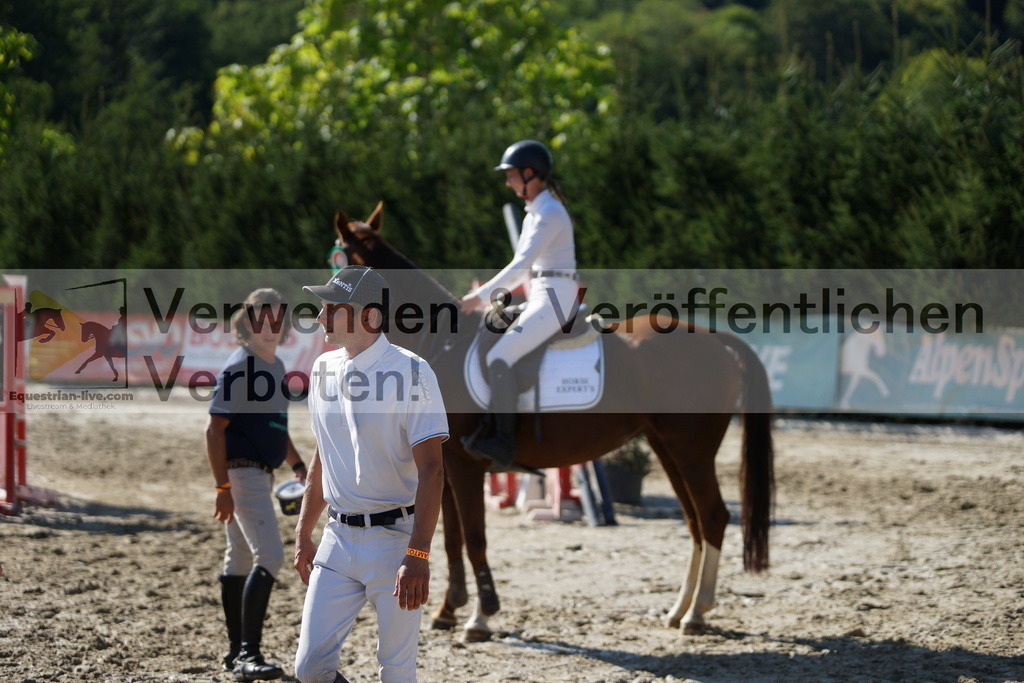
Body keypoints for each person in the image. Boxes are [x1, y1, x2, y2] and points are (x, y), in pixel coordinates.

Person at [294, 265, 448, 683]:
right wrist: (303, 531)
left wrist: (418, 555)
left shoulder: (413, 372)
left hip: (396, 541)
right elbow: (322, 456)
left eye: (332, 308)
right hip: (337, 539)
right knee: (308, 669)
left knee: (396, 672)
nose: (321, 317)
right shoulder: (322, 369)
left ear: (369, 316)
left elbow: (433, 470)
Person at [206, 288, 308, 682]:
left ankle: (235, 655)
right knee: (271, 557)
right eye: (263, 319)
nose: (272, 326)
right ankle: (249, 653)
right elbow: (213, 430)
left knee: (241, 559)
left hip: (259, 474)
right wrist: (222, 488)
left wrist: (296, 462)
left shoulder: (276, 366)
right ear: (247, 324)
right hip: (242, 475)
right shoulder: (240, 368)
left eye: (279, 320)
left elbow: (275, 428)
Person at [459, 139, 579, 469]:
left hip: (554, 300)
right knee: (491, 333)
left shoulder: (549, 213)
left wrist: (477, 299)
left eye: (511, 175)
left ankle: (504, 442)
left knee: (500, 356)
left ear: (530, 174)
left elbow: (519, 268)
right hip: (543, 296)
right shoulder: (536, 212)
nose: (507, 182)